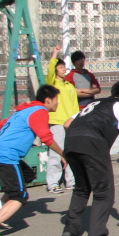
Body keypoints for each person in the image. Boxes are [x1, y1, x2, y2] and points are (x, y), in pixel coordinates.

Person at [61, 81, 119, 236]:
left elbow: (67, 123)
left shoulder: (95, 103)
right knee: (103, 193)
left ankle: (71, 230)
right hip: (93, 144)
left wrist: (75, 143)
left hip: (71, 143)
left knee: (81, 188)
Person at [0, 85, 65, 236]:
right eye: (56, 100)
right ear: (48, 100)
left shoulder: (25, 110)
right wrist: (63, 153)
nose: (58, 103)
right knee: (19, 196)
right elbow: (46, 137)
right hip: (6, 155)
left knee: (28, 175)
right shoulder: (40, 111)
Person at [45, 45, 78, 193]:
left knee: (71, 152)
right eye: (60, 67)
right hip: (57, 122)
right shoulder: (52, 84)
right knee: (56, 153)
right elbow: (49, 70)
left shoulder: (69, 86)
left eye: (64, 67)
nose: (63, 70)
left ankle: (71, 181)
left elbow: (74, 105)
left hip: (69, 123)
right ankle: (53, 183)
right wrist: (55, 53)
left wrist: (76, 120)